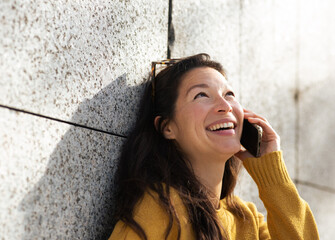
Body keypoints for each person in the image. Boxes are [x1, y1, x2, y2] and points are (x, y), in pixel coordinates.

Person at [109, 53, 319, 240]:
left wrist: (272, 174)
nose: (226, 106)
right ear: (167, 127)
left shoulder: (247, 219)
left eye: (229, 94)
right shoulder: (161, 207)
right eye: (201, 95)